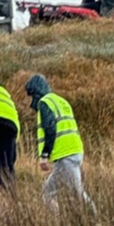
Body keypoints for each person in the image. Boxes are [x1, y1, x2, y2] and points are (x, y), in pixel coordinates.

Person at [24, 74, 93, 211]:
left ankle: (95, 219)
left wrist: (44, 156)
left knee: (74, 193)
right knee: (52, 192)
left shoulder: (44, 103)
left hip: (64, 155)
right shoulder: (61, 101)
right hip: (75, 150)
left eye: (32, 95)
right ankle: (59, 222)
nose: (31, 100)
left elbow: (50, 129)